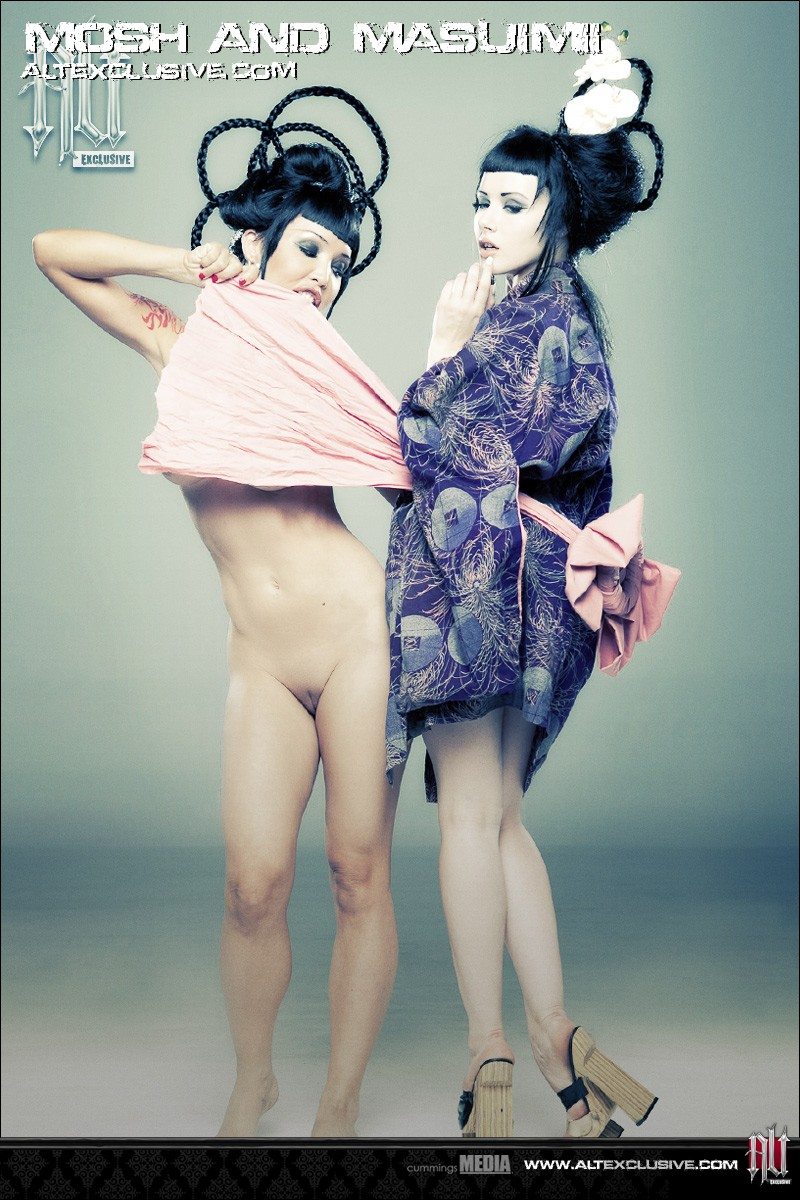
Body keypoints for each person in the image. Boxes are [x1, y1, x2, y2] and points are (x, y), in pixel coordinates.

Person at [32, 86, 411, 1139]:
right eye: (308, 250)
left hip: (358, 640)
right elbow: (52, 251)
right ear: (253, 243)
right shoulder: (179, 346)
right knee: (251, 885)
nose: (325, 274)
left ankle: (339, 1103)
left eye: (339, 262)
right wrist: (181, 261)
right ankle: (254, 1083)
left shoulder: (326, 378)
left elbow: (418, 486)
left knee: (357, 875)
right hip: (261, 660)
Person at [385, 49, 670, 1137]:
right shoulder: (567, 315)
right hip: (540, 595)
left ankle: (489, 1052)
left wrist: (438, 349)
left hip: (485, 589)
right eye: (479, 199)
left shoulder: (515, 324)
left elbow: (437, 454)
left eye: (511, 202)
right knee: (502, 819)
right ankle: (565, 1049)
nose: (485, 219)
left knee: (468, 818)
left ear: (558, 214)